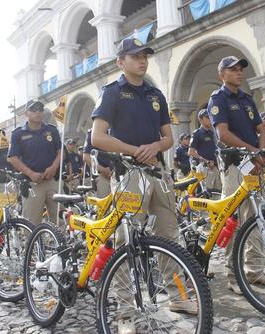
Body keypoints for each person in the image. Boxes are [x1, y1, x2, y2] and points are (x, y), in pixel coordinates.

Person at [91, 37, 195, 333]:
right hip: (127, 173)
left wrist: (153, 146)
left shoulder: (156, 94)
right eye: (135, 56)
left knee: (169, 237)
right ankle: (125, 312)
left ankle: (178, 297)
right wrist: (133, 149)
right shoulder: (111, 93)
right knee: (127, 243)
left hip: (157, 171)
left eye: (145, 55)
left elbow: (168, 138)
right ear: (120, 62)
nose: (142, 60)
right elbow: (97, 137)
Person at [208, 55, 265, 294]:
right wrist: (252, 151)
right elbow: (223, 133)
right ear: (222, 74)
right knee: (234, 220)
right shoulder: (219, 99)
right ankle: (234, 275)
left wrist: (261, 152)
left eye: (240, 69)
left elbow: (261, 128)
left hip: (254, 164)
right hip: (235, 164)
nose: (239, 73)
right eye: (233, 69)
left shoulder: (248, 99)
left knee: (256, 217)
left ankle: (255, 271)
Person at [8, 100, 61, 224]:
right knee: (31, 223)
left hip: (52, 181)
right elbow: (13, 158)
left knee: (60, 220)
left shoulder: (52, 130)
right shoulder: (18, 133)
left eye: (40, 109)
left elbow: (60, 152)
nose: (37, 112)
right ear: (26, 113)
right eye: (33, 110)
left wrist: (53, 167)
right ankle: (34, 243)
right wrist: (31, 173)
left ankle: (59, 243)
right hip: (32, 184)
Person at [189, 109, 222, 190]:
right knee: (207, 193)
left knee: (218, 192)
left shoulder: (211, 133)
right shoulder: (197, 133)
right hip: (205, 168)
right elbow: (191, 152)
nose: (210, 119)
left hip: (215, 166)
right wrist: (206, 161)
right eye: (207, 117)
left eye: (210, 117)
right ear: (200, 119)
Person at [82, 129, 111, 198]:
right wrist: (103, 170)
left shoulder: (120, 128)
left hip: (122, 175)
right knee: (104, 206)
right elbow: (86, 157)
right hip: (103, 176)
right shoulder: (93, 132)